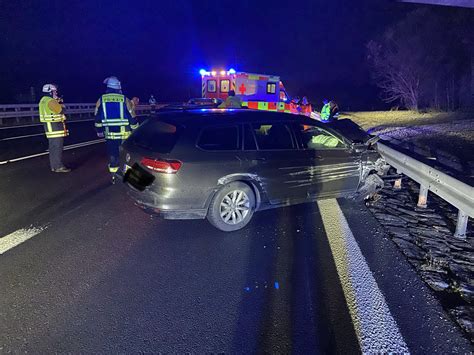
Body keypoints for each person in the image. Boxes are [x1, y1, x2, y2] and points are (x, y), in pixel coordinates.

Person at [95, 76, 139, 183]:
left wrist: (99, 131)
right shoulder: (125, 99)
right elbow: (132, 117)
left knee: (113, 155)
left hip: (109, 135)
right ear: (118, 87)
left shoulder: (101, 100)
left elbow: (97, 117)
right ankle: (128, 177)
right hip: (125, 135)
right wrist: (136, 130)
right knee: (126, 156)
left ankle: (114, 176)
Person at [39, 84, 71, 172]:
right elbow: (62, 110)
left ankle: (54, 166)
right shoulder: (51, 101)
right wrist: (59, 102)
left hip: (49, 127)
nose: (56, 93)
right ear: (50, 92)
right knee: (57, 147)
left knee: (53, 148)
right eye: (54, 91)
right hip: (55, 127)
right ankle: (58, 166)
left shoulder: (43, 100)